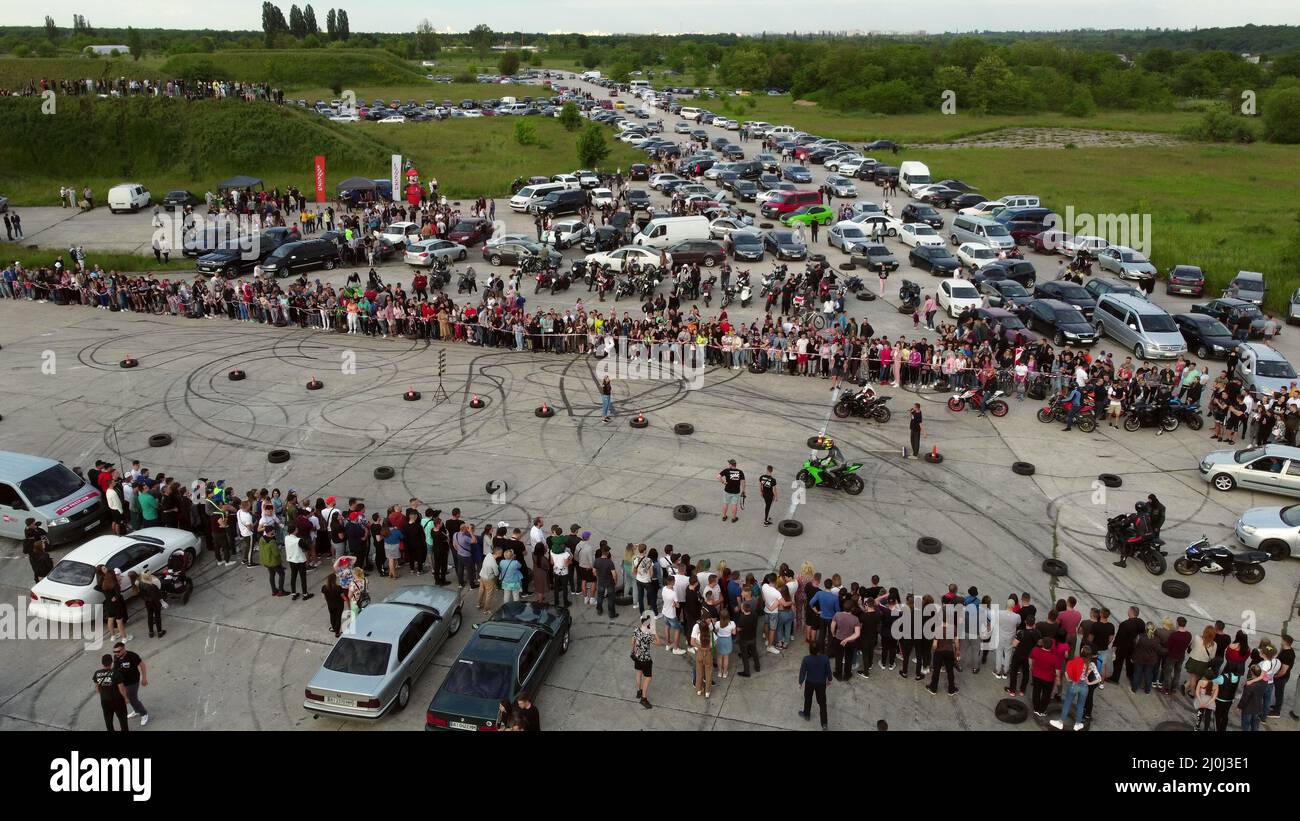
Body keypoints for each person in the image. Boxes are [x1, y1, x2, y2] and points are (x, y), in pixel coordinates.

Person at [1051, 646, 1093, 731]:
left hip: (1074, 685)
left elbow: (1067, 671)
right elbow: (1099, 678)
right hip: (1084, 687)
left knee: (1067, 703)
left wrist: (1069, 679)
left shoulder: (1076, 660)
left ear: (1082, 652)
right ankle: (1078, 724)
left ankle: (1060, 722)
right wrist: (1089, 683)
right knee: (1080, 706)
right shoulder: (1091, 664)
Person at [111, 641, 149, 726]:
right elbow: (115, 668)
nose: (116, 653)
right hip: (123, 682)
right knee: (128, 698)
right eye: (115, 652)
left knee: (133, 699)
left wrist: (144, 678)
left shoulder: (132, 656)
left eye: (118, 651)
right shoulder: (116, 657)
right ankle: (136, 710)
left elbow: (142, 665)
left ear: (124, 649)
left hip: (133, 682)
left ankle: (144, 713)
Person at [798, 641, 833, 729]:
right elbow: (828, 670)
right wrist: (829, 679)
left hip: (810, 682)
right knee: (822, 703)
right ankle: (824, 724)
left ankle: (807, 714)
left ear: (810, 650)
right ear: (819, 649)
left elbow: (803, 672)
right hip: (821, 683)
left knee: (808, 698)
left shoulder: (806, 659)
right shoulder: (825, 658)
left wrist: (800, 682)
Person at [93, 653, 130, 732]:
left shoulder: (97, 673)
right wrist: (126, 698)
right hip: (117, 700)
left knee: (108, 720)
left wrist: (104, 694)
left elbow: (97, 688)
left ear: (102, 663)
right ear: (111, 662)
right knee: (122, 719)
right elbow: (121, 688)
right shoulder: (116, 673)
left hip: (105, 701)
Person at [630, 612, 660, 709]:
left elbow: (633, 641)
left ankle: (639, 690)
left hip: (637, 657)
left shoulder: (636, 630)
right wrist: (655, 633)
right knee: (648, 678)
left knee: (639, 673)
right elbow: (659, 643)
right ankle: (643, 698)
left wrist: (633, 651)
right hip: (646, 659)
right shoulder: (648, 635)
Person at [593, 543, 619, 618]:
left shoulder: (597, 561)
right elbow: (614, 574)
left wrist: (598, 576)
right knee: (611, 598)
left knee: (600, 596)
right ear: (607, 553)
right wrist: (615, 580)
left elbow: (594, 571)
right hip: (609, 582)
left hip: (601, 582)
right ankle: (611, 613)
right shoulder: (609, 562)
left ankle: (599, 609)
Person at [718, 458, 745, 523]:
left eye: (729, 464)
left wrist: (723, 482)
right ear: (735, 465)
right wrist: (743, 491)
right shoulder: (740, 472)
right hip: (736, 491)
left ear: (730, 465)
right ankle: (734, 518)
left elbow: (718, 477)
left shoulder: (726, 470)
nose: (728, 465)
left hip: (727, 490)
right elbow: (743, 482)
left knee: (725, 503)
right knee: (734, 505)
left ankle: (724, 516)